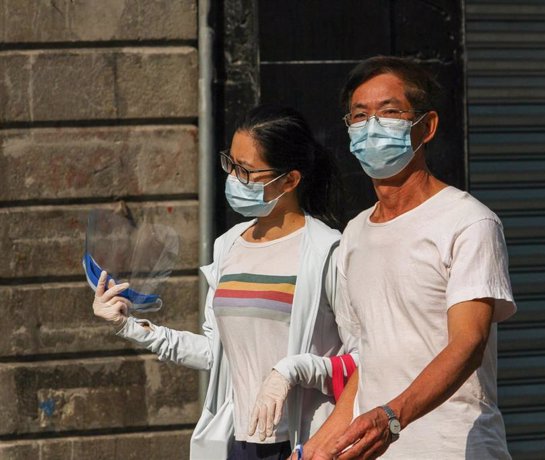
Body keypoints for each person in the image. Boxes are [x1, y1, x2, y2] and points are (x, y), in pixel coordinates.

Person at [92, 105, 358, 460]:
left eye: (246, 171)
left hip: (307, 444)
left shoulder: (328, 251)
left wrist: (292, 370)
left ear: (290, 180)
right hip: (239, 443)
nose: (233, 178)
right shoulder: (229, 245)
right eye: (230, 164)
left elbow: (362, 361)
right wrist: (130, 326)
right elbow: (215, 353)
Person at [298, 56, 517, 459]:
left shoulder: (468, 221)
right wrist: (315, 449)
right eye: (359, 116)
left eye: (390, 112)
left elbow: (468, 342)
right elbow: (371, 362)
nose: (372, 128)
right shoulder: (355, 234)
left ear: (426, 127)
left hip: (454, 447)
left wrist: (391, 417)